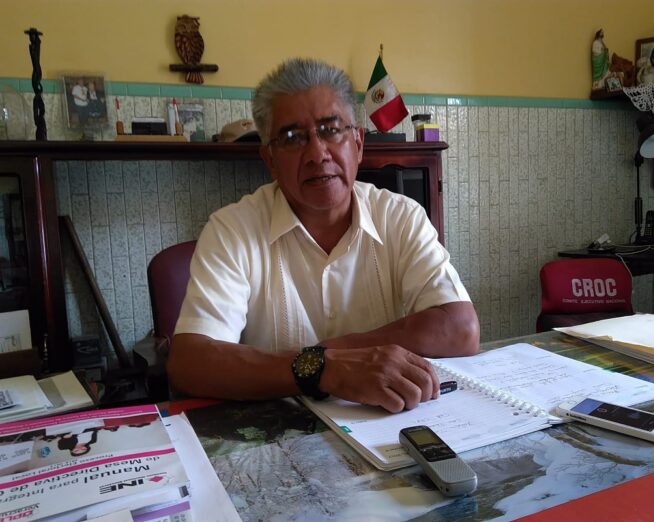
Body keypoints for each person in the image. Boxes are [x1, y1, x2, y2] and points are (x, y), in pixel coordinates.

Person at [167, 58, 480, 414]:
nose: (317, 153)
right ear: (270, 159)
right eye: (292, 138)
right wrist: (322, 369)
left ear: (358, 143)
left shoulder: (400, 216)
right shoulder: (231, 230)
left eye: (331, 130)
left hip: (387, 424)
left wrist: (330, 353)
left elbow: (461, 328)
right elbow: (190, 362)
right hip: (282, 430)